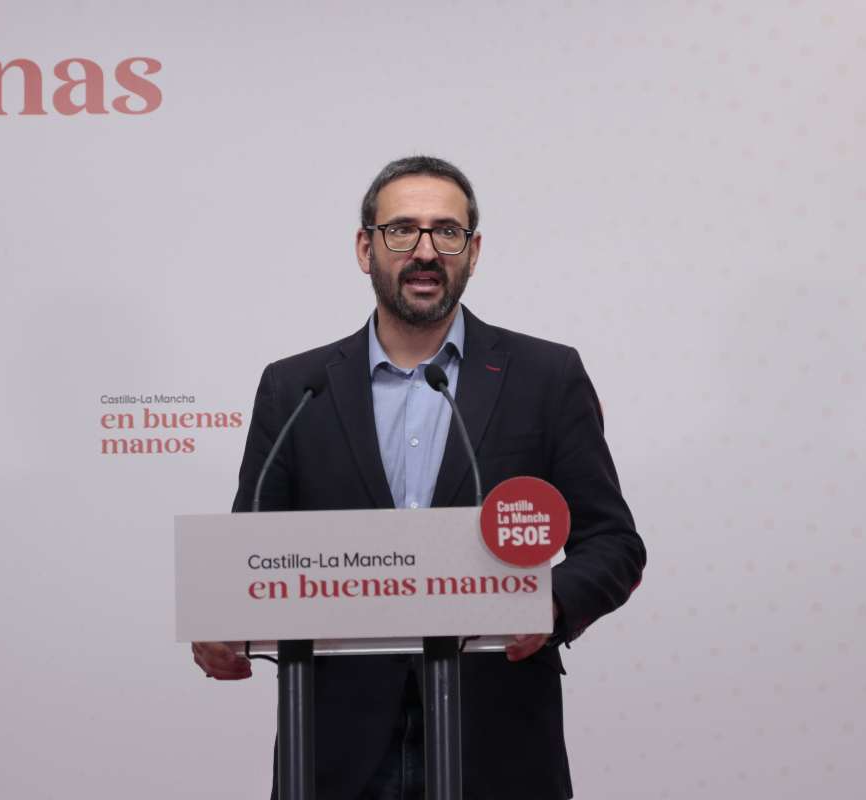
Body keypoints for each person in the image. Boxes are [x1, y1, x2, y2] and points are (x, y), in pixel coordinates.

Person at [192, 156, 645, 800]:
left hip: (497, 731)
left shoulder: (545, 376)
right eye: (402, 230)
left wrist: (550, 602)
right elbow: (251, 550)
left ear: (474, 250)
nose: (426, 251)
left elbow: (614, 543)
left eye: (447, 232)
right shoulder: (296, 387)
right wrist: (220, 620)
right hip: (337, 744)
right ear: (365, 247)